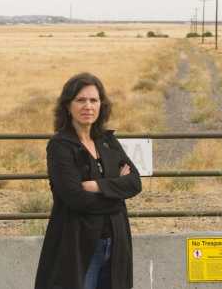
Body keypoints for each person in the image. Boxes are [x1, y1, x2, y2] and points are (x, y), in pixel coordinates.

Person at [35, 72, 142, 289]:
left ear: (101, 105)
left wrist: (98, 186)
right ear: (68, 106)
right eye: (81, 100)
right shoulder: (60, 146)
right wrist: (116, 195)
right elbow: (75, 198)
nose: (88, 106)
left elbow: (134, 182)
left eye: (94, 100)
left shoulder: (108, 141)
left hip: (115, 242)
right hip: (78, 244)